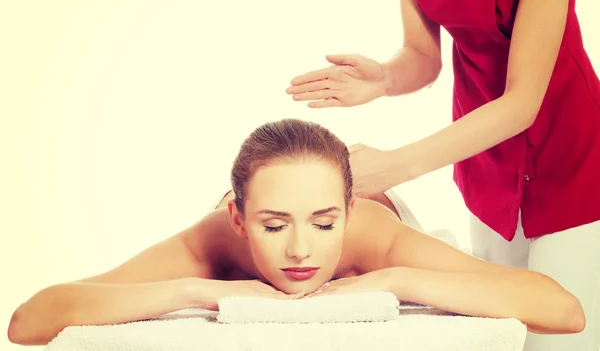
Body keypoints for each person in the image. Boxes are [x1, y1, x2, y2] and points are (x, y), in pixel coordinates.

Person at [8, 119, 584, 346]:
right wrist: (196, 291)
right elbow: (32, 321)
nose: (302, 250)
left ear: (347, 212)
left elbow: (562, 311)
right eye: (274, 226)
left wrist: (397, 278)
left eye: (324, 223)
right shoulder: (211, 242)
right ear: (239, 218)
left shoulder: (376, 237)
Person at [285, 0, 600, 350]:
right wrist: (385, 77)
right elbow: (422, 55)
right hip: (485, 157)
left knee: (560, 338)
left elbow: (522, 102)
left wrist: (394, 167)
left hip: (570, 158)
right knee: (504, 329)